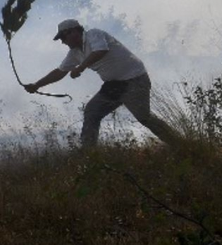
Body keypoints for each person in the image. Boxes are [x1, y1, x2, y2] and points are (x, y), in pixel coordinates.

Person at [24, 19, 181, 149]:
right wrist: (36, 85)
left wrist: (81, 67)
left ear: (73, 32)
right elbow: (60, 72)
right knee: (92, 112)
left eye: (63, 38)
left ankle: (180, 144)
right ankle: (88, 155)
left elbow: (101, 51)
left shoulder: (94, 34)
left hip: (134, 79)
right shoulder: (74, 53)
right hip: (114, 85)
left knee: (144, 118)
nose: (63, 42)